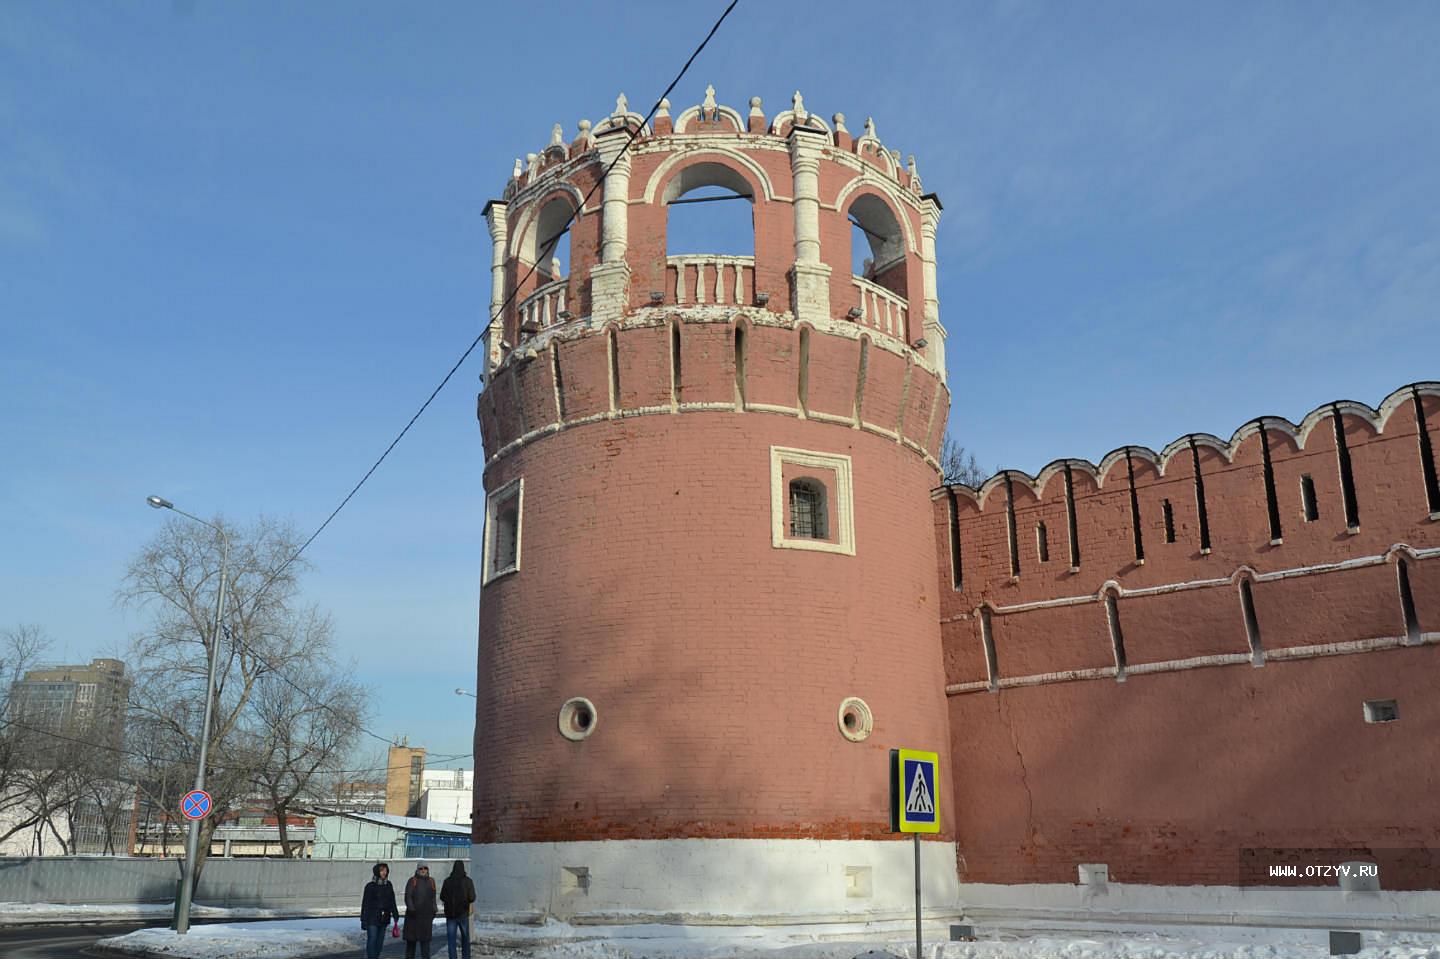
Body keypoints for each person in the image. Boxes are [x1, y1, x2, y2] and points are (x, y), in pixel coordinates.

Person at [360, 862, 400, 959]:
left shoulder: (388, 885)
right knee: (372, 940)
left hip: (384, 916)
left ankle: (375, 956)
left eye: (385, 870)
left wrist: (395, 913)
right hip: (372, 917)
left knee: (380, 941)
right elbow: (365, 903)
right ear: (377, 871)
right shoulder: (370, 886)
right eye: (381, 870)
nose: (384, 873)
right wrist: (363, 919)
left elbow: (392, 900)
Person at [439, 861, 477, 959]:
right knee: (465, 939)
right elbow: (472, 897)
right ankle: (466, 957)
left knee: (451, 940)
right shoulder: (468, 881)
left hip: (450, 915)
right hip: (463, 914)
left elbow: (442, 896)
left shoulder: (447, 881)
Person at [403, 860, 438, 959]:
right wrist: (412, 910)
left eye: (425, 868)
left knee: (425, 946)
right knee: (411, 945)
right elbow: (408, 897)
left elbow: (433, 898)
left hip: (426, 918)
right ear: (417, 869)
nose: (423, 870)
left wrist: (434, 910)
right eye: (421, 868)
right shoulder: (412, 880)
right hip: (413, 918)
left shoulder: (431, 881)